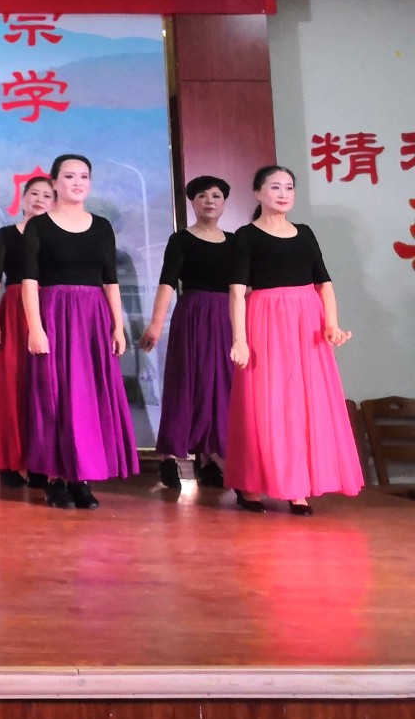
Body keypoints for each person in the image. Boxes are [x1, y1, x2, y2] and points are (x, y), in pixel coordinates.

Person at [226, 165, 362, 514]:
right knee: (264, 402)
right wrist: (240, 339)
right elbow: (238, 292)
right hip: (266, 320)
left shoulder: (305, 233)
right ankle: (251, 485)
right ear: (257, 193)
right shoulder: (247, 235)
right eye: (275, 187)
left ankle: (298, 486)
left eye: (289, 187)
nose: (283, 193)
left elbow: (324, 283)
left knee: (304, 403)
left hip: (306, 322)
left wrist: (332, 325)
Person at [21, 153, 138, 509]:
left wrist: (118, 327)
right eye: (69, 176)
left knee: (89, 397)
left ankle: (81, 478)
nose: (77, 182)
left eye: (83, 176)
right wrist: (35, 327)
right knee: (55, 396)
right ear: (55, 182)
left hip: (92, 320)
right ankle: (55, 477)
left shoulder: (101, 227)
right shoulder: (39, 227)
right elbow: (29, 281)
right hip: (54, 315)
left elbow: (110, 281)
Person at [140, 176, 236, 492]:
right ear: (192, 202)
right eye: (202, 196)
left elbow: (243, 288)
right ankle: (170, 456)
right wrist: (156, 324)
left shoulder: (235, 242)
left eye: (216, 196)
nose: (209, 201)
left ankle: (210, 460)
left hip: (226, 318)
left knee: (220, 386)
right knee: (187, 383)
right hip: (192, 316)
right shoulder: (181, 240)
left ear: (224, 203)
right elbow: (167, 282)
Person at [0, 174, 55, 489]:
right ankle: (10, 462)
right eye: (34, 194)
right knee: (11, 387)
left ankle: (41, 463)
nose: (39, 200)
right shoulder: (6, 235)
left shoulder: (57, 237)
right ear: (23, 198)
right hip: (13, 313)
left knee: (45, 389)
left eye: (47, 195)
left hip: (49, 312)